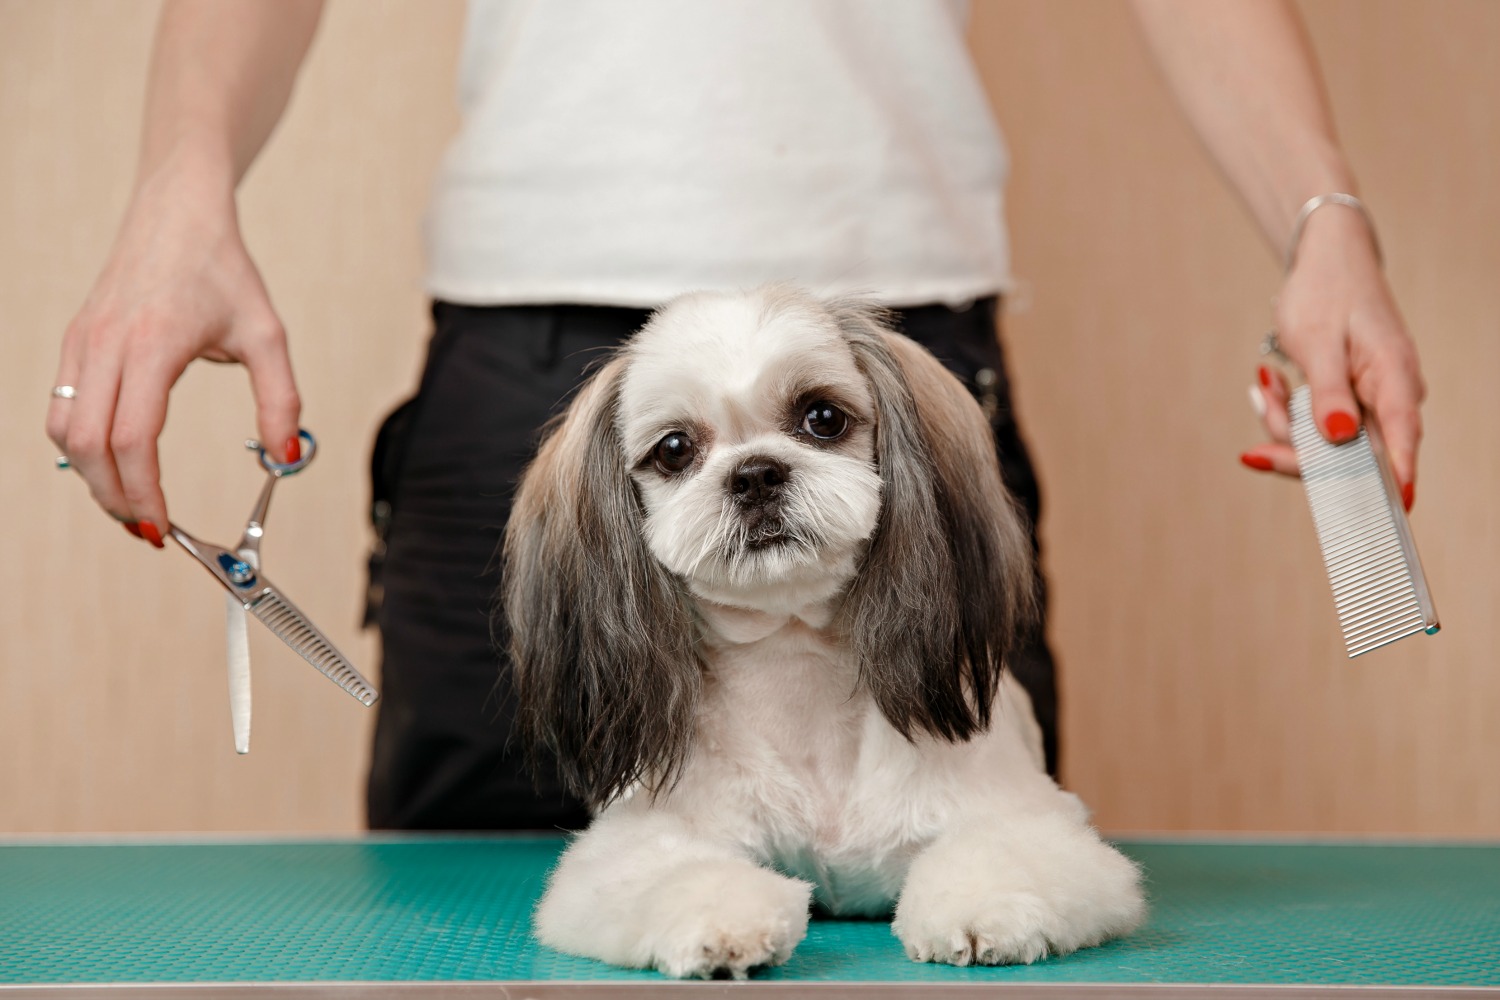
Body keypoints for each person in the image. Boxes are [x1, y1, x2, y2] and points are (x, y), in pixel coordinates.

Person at [46, 0, 1426, 830]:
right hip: (526, 371)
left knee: (960, 887)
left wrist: (1325, 218)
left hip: (901, 374)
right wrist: (181, 183)